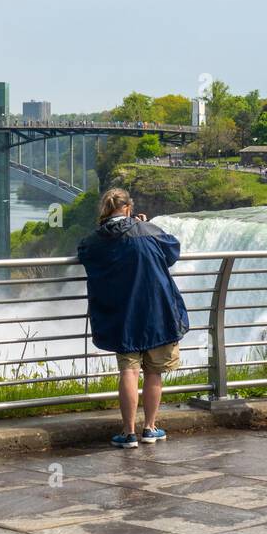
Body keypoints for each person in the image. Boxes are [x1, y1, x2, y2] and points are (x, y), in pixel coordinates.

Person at [77, 188, 189, 448]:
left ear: (105, 211)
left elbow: (85, 254)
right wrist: (143, 225)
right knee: (154, 372)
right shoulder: (147, 231)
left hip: (122, 314)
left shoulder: (95, 239)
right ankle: (150, 429)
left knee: (129, 369)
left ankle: (128, 433)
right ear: (128, 208)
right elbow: (172, 250)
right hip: (157, 310)